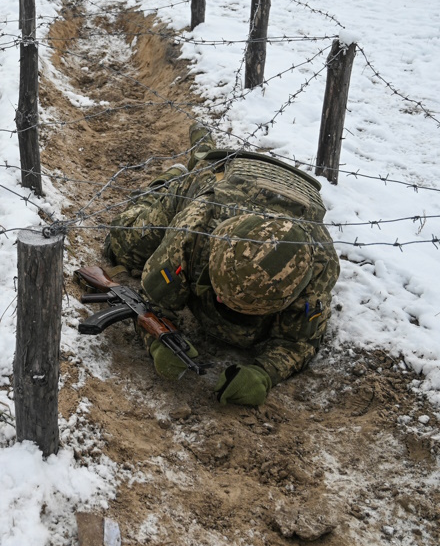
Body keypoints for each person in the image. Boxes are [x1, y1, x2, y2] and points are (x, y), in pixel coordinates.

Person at [104, 121, 339, 406]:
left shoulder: (319, 263)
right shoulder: (197, 224)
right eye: (219, 293)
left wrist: (264, 373)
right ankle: (171, 181)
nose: (218, 300)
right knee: (124, 247)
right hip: (217, 182)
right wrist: (156, 338)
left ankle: (201, 154)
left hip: (295, 188)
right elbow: (155, 298)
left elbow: (300, 341)